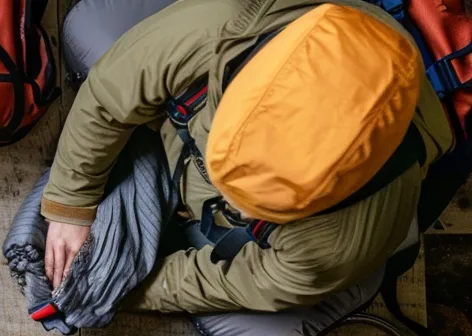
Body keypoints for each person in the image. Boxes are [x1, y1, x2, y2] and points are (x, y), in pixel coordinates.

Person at [38, 0, 454, 314]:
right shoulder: (229, 26)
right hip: (266, 54)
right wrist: (71, 204)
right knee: (94, 35)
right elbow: (109, 94)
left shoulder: (339, 246)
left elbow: (243, 281)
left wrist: (122, 286)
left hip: (271, 239)